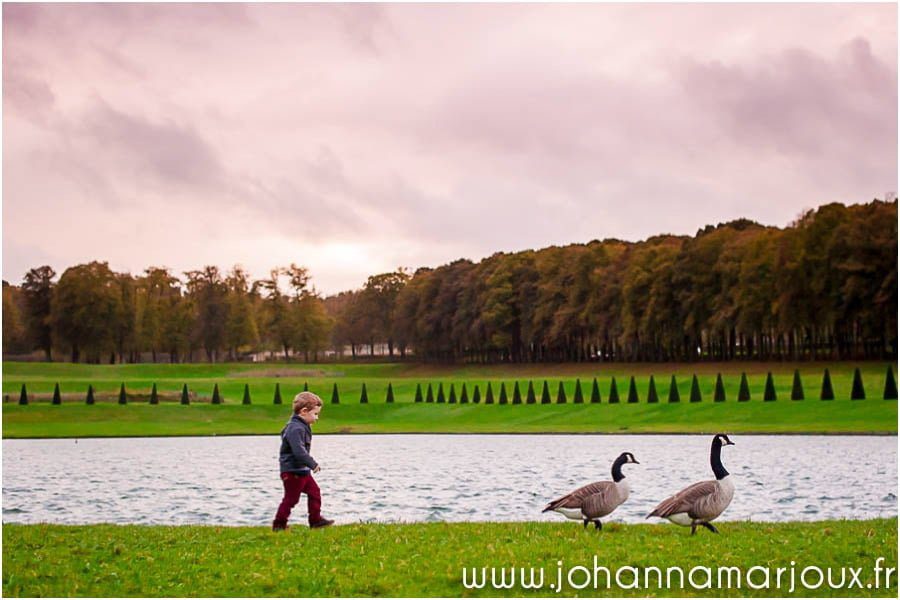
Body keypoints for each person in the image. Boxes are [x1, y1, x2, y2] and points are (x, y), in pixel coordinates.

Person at [272, 391, 334, 530]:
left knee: (315, 493)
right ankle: (279, 524)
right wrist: (313, 464)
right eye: (315, 414)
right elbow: (299, 451)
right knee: (291, 499)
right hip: (292, 471)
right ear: (304, 411)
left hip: (302, 471)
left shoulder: (301, 426)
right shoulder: (295, 428)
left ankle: (316, 520)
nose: (317, 418)